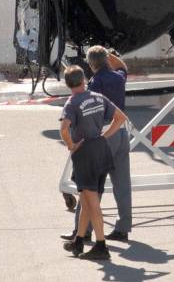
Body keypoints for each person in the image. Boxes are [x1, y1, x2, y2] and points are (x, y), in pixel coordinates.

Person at [63, 47, 132, 243]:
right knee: (122, 184)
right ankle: (123, 227)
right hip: (121, 132)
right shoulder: (119, 77)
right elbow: (122, 66)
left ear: (91, 65)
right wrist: (108, 53)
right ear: (107, 61)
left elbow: (88, 110)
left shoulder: (95, 83)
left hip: (102, 136)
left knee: (90, 186)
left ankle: (82, 231)